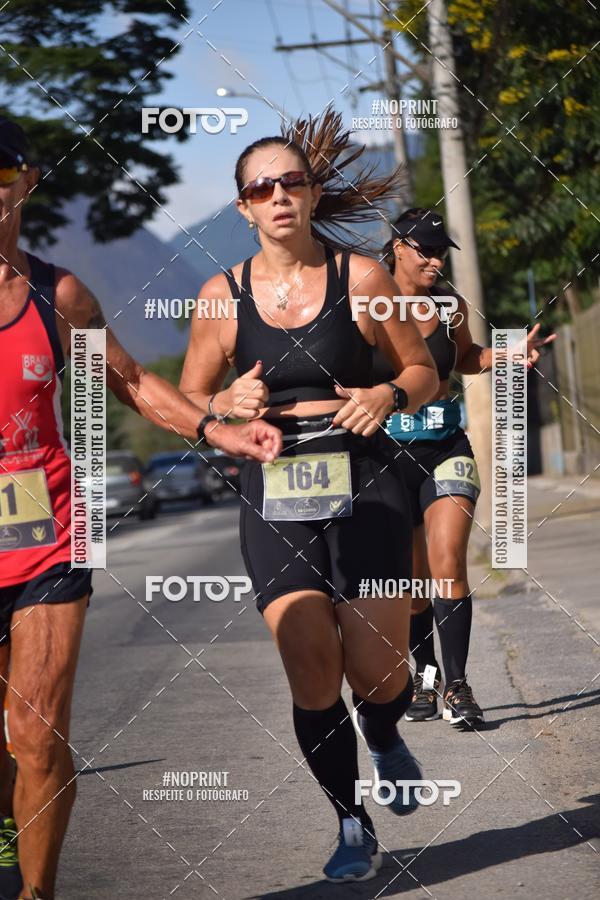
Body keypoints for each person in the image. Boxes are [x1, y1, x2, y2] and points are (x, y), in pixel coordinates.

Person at [0, 115, 282, 900]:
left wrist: (217, 428)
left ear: (25, 181)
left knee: (36, 734)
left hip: (51, 540)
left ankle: (37, 893)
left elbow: (129, 383)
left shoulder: (58, 296)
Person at [179, 109, 439, 883]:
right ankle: (352, 823)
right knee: (309, 662)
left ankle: (387, 734)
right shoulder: (219, 297)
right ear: (245, 208)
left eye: (292, 181)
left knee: (378, 670)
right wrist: (225, 406)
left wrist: (387, 395)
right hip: (274, 481)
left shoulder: (360, 279)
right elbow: (194, 400)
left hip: (365, 476)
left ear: (314, 192)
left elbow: (422, 371)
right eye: (262, 187)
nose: (279, 196)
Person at [375, 207, 555, 729]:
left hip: (446, 447)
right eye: (426, 251)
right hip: (386, 458)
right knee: (411, 584)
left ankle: (457, 686)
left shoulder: (449, 305)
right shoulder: (365, 304)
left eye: (441, 252)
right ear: (400, 248)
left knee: (448, 561)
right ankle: (425, 678)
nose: (435, 261)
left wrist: (507, 353)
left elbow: (467, 357)